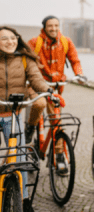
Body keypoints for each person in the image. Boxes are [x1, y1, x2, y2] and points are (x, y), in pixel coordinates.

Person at [0, 26, 53, 212]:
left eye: (12, 38)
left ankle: (23, 199)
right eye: (4, 39)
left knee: (20, 157)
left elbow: (36, 78)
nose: (10, 42)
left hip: (12, 113)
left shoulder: (24, 59)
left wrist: (48, 91)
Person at [24, 15, 84, 146]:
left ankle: (59, 154)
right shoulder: (35, 42)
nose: (54, 28)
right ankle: (30, 128)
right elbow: (25, 61)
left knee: (56, 121)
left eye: (56, 25)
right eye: (50, 26)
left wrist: (79, 74)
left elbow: (75, 61)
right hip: (36, 84)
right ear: (44, 28)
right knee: (39, 104)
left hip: (54, 86)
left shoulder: (65, 42)